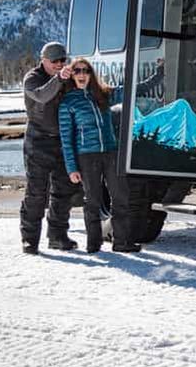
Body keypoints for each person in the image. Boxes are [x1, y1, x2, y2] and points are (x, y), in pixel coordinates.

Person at [58, 58, 140, 253]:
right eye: (77, 71)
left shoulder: (103, 94)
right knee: (93, 201)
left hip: (110, 152)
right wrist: (71, 168)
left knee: (121, 197)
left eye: (85, 70)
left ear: (90, 73)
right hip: (87, 156)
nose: (81, 74)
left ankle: (121, 242)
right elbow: (66, 139)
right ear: (72, 75)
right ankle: (93, 244)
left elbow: (131, 89)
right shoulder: (68, 102)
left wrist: (160, 75)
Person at [20, 42, 80, 255]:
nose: (59, 64)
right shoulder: (32, 78)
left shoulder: (67, 76)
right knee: (36, 193)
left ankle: (57, 236)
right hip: (38, 142)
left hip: (63, 142)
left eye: (62, 60)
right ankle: (29, 239)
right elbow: (42, 95)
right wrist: (59, 79)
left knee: (64, 192)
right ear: (43, 60)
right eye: (54, 60)